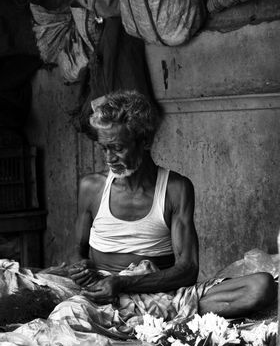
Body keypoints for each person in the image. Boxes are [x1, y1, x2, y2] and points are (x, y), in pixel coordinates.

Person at [69, 90, 276, 318]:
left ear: (145, 141)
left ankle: (152, 313)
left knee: (261, 286)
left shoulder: (175, 188)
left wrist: (123, 283)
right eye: (104, 148)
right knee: (63, 310)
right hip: (102, 294)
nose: (109, 159)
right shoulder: (91, 187)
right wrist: (81, 268)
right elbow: (79, 253)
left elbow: (188, 269)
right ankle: (157, 315)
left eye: (118, 148)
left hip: (159, 291)